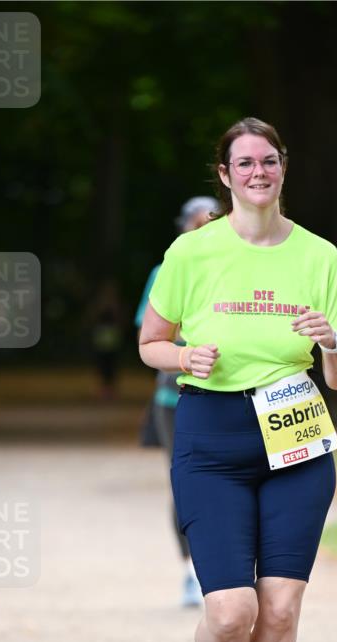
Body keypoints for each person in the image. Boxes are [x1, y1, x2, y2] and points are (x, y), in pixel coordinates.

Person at [139, 119, 337, 642]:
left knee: (283, 607)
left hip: (294, 434)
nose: (257, 171)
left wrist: (331, 345)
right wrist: (182, 356)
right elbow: (151, 342)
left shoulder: (318, 256)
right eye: (244, 162)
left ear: (282, 169)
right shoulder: (192, 252)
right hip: (212, 437)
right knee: (233, 611)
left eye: (268, 160)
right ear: (225, 174)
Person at [135, 196, 220, 608]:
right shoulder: (164, 271)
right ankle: (190, 570)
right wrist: (190, 348)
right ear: (183, 228)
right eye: (196, 225)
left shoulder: (234, 267)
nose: (203, 231)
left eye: (212, 223)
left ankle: (223, 571)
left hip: (228, 395)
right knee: (184, 483)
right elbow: (150, 335)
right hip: (175, 396)